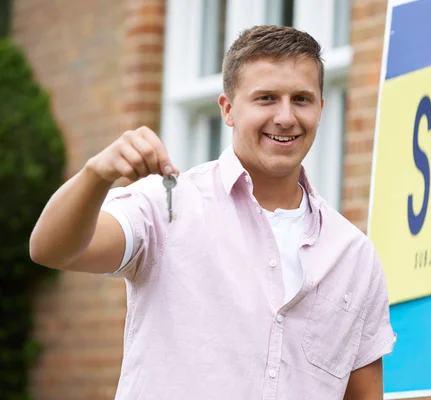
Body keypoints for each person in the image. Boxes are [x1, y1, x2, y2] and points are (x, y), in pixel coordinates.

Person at [30, 25, 396, 399]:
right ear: (228, 109)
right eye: (266, 98)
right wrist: (96, 174)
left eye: (301, 99)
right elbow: (52, 249)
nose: (285, 117)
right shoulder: (166, 206)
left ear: (320, 108)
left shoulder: (354, 255)